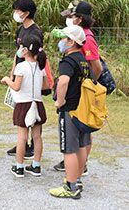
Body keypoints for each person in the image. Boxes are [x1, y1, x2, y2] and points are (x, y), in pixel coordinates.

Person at [53, 0, 101, 174]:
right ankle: (78, 172)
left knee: (72, 146)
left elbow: (97, 67)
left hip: (74, 102)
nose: (69, 19)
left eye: (72, 16)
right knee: (81, 139)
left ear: (80, 19)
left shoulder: (85, 39)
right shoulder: (81, 38)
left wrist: (88, 87)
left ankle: (74, 178)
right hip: (79, 100)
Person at [49, 25, 90, 199]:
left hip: (70, 110)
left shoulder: (68, 61)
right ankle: (77, 179)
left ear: (71, 41)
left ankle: (70, 186)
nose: (61, 41)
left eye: (64, 38)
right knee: (80, 146)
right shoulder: (83, 60)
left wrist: (60, 101)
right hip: (82, 109)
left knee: (68, 149)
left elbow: (64, 82)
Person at [1, 35, 48, 178]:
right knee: (37, 137)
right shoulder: (41, 68)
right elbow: (45, 87)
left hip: (23, 105)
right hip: (38, 104)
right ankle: (36, 166)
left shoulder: (21, 67)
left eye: (22, 47)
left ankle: (19, 167)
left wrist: (7, 80)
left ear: (26, 50)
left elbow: (16, 86)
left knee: (22, 137)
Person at [7, 0, 44, 159]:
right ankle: (24, 144)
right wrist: (13, 71)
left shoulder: (36, 31)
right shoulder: (20, 30)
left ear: (27, 13)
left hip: (30, 74)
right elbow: (17, 53)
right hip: (20, 71)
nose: (15, 13)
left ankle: (29, 145)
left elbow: (39, 55)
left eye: (18, 10)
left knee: (30, 107)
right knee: (20, 107)